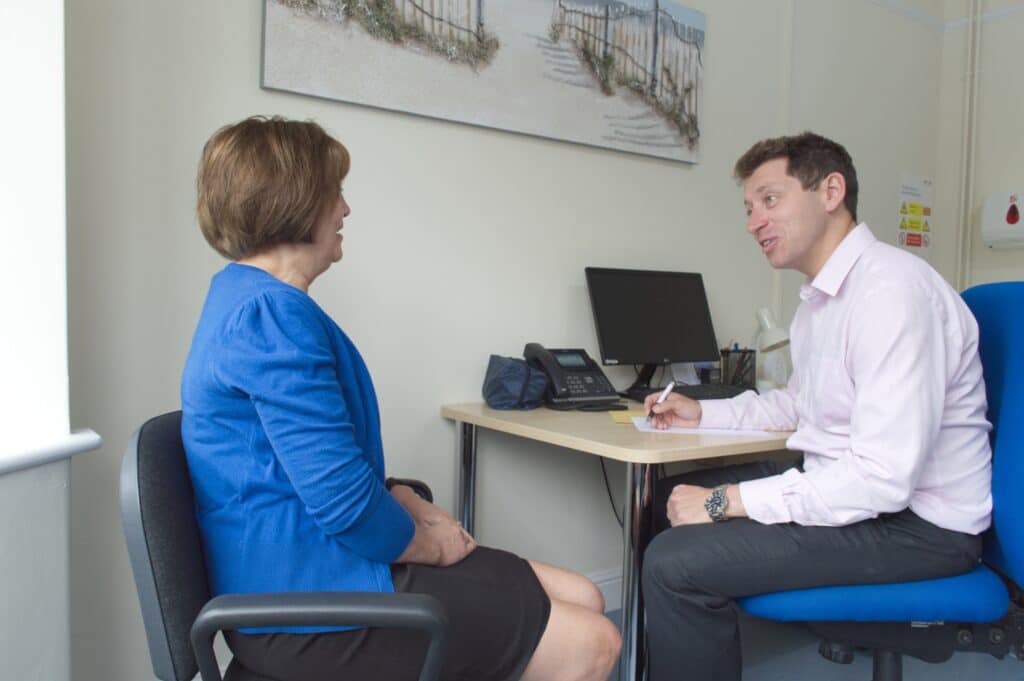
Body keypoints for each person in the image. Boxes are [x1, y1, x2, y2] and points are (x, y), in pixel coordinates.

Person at [181, 116, 621, 681]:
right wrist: (430, 546)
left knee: (585, 593)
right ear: (295, 201)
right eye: (334, 193)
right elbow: (340, 502)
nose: (344, 210)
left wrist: (402, 498)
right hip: (309, 609)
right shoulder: (271, 316)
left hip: (317, 569)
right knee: (596, 642)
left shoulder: (245, 301)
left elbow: (298, 467)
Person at [640, 132, 993, 681]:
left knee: (674, 564)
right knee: (659, 498)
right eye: (750, 208)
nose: (753, 222)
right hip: (860, 490)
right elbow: (799, 405)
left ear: (831, 191)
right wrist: (703, 413)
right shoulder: (821, 301)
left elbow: (881, 480)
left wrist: (724, 502)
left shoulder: (891, 293)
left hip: (919, 528)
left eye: (770, 200)